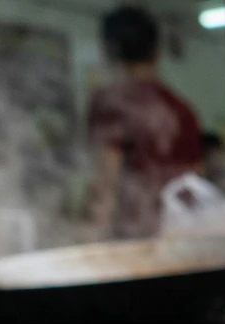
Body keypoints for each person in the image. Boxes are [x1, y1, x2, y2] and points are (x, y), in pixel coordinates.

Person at [87, 6, 203, 239]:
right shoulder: (182, 109)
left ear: (107, 52)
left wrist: (88, 241)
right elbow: (198, 177)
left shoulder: (111, 104)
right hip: (184, 239)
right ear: (156, 52)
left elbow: (105, 184)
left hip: (134, 242)